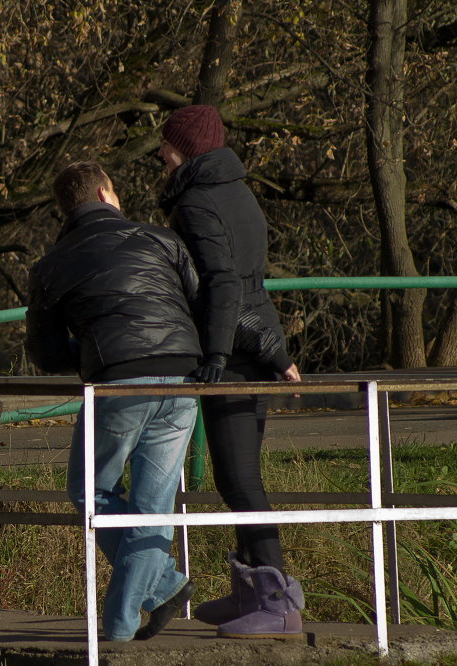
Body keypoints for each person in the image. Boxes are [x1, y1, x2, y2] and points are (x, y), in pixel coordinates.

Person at [25, 161, 203, 642]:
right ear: (106, 193)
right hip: (186, 378)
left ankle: (135, 616)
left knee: (90, 492)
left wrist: (88, 350)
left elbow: (43, 353)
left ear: (67, 207)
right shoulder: (160, 239)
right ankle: (151, 597)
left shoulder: (52, 265)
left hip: (119, 384)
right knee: (151, 508)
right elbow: (196, 299)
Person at [158, 104, 304, 639]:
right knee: (237, 475)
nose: (160, 154)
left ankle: (276, 603)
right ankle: (251, 591)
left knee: (240, 478)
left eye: (167, 146)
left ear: (185, 151)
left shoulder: (196, 200)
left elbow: (221, 281)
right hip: (253, 339)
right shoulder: (237, 190)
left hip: (236, 353)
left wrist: (215, 357)